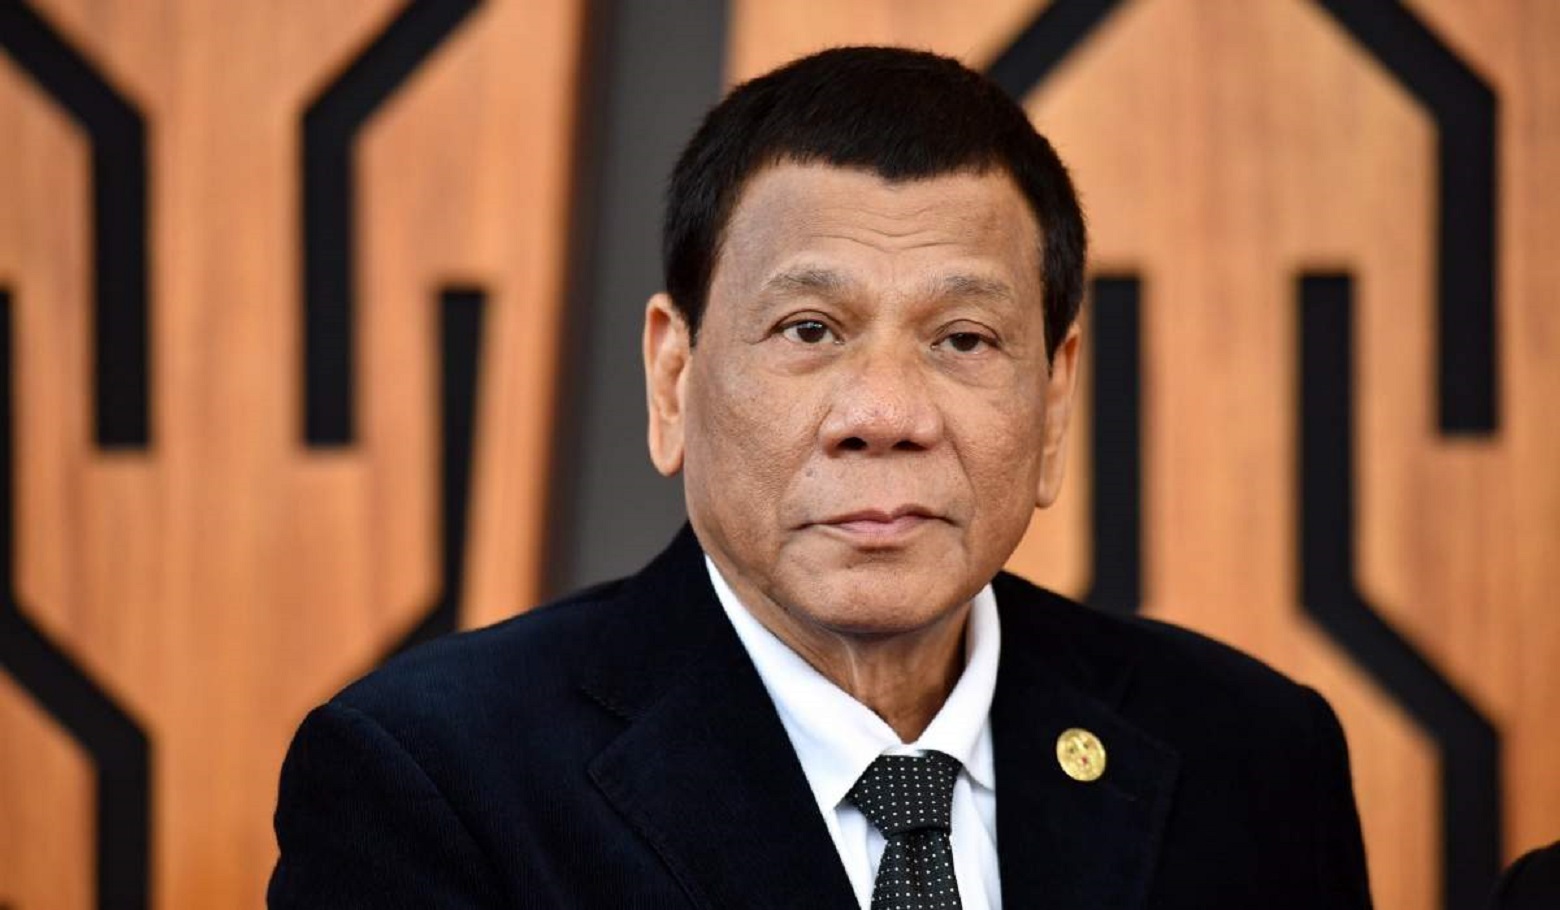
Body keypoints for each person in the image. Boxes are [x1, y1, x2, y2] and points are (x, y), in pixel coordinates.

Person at [269, 46, 1373, 909]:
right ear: (673, 378)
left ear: (1054, 402)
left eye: (964, 339)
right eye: (809, 329)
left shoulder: (1253, 754)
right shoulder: (435, 783)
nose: (883, 417)